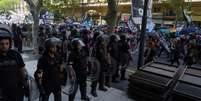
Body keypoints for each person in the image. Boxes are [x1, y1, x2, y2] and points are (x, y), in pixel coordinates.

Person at [0, 28, 27, 101]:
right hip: (2, 93)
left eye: (7, 43)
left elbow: (22, 70)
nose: (4, 46)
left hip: (17, 90)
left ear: (10, 43)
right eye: (1, 44)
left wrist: (26, 84)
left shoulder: (16, 54)